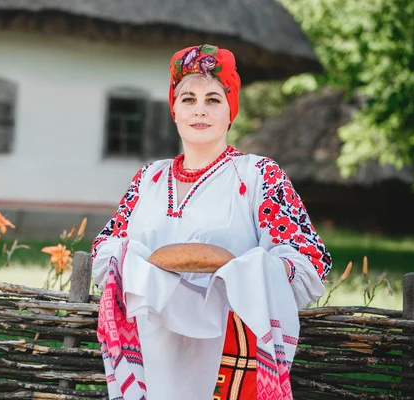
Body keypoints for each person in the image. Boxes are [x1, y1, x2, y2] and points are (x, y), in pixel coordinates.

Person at [91, 44, 332, 400]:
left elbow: (308, 263)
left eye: (213, 99)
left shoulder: (258, 175)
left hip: (228, 358)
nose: (199, 110)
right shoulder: (148, 179)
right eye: (188, 99)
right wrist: (135, 260)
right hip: (150, 354)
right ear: (173, 110)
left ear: (230, 111)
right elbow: (104, 252)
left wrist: (240, 273)